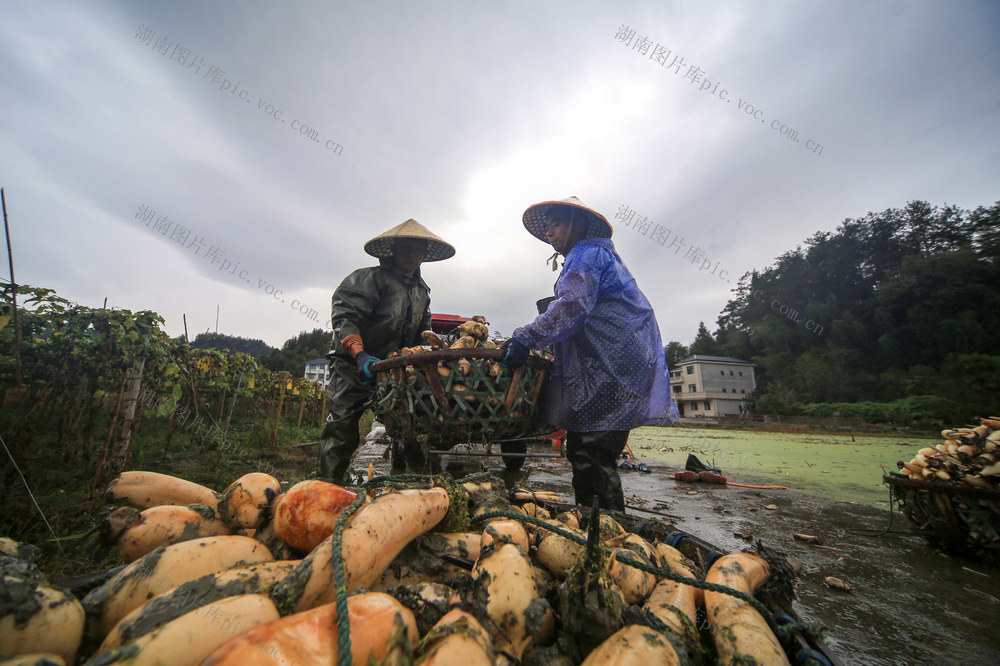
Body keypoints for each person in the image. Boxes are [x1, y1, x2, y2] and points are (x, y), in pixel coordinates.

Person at [501, 196, 679, 511]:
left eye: (556, 223)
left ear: (578, 225)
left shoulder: (585, 253)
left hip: (614, 364)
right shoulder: (598, 255)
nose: (549, 232)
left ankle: (603, 533)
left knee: (591, 451)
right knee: (590, 448)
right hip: (620, 363)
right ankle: (600, 524)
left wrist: (525, 338)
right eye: (548, 226)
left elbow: (572, 307)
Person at [318, 219, 455, 484]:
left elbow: (422, 334)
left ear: (425, 254)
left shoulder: (421, 291)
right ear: (393, 249)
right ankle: (327, 485)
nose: (412, 256)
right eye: (406, 248)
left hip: (394, 369)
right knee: (342, 425)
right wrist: (359, 355)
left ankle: (413, 482)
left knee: (412, 421)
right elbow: (346, 319)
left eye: (418, 250)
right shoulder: (368, 279)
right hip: (356, 365)